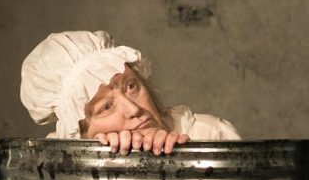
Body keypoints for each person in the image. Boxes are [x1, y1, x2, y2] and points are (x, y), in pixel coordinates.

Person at [20, 30, 240, 155]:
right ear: (79, 131)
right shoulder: (54, 162)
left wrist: (177, 160)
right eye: (106, 107)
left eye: (131, 86)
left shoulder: (209, 136)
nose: (133, 109)